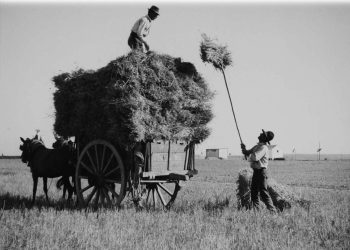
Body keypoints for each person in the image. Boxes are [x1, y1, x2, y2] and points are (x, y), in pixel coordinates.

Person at [241, 129, 277, 212]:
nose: (260, 134)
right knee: (254, 192)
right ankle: (256, 211)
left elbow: (255, 157)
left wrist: (248, 153)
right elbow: (247, 152)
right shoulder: (257, 146)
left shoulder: (263, 147)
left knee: (263, 193)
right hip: (256, 172)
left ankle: (273, 211)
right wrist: (244, 149)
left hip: (261, 172)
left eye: (262, 134)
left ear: (264, 138)